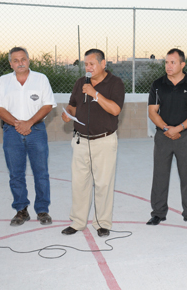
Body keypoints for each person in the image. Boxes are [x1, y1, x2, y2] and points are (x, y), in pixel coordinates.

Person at [60, 49, 125, 237]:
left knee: (104, 184)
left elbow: (115, 110)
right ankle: (78, 222)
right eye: (86, 64)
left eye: (92, 64)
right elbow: (73, 104)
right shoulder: (80, 82)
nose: (88, 68)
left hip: (104, 141)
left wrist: (95, 94)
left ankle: (102, 223)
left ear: (103, 64)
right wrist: (68, 113)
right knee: (79, 184)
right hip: (80, 141)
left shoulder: (115, 83)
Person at [0, 47, 56, 226]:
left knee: (41, 173)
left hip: (37, 131)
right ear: (11, 63)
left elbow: (48, 105)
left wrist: (30, 123)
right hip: (12, 132)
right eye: (16, 60)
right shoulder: (3, 82)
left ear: (28, 60)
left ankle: (42, 210)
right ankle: (21, 210)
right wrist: (18, 124)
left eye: (23, 59)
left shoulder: (41, 79)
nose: (20, 63)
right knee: (16, 174)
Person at [146, 48, 187, 227]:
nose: (168, 66)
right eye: (166, 62)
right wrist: (166, 128)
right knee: (160, 175)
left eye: (173, 62)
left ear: (182, 64)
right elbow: (152, 112)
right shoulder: (158, 84)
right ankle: (158, 213)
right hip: (163, 136)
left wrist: (178, 128)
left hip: (184, 137)